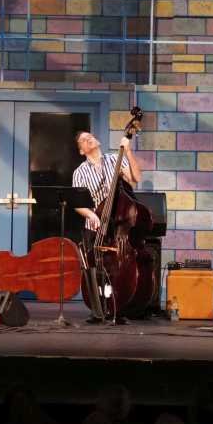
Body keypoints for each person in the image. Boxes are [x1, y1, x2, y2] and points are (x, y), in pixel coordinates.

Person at [72, 131, 142, 320]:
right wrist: (92, 215)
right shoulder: (79, 172)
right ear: (81, 151)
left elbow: (135, 178)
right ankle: (97, 308)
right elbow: (78, 203)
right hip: (94, 226)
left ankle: (118, 305)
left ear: (97, 140)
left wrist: (128, 152)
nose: (89, 139)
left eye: (90, 136)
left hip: (117, 225)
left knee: (118, 267)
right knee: (97, 269)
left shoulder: (114, 160)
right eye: (83, 140)